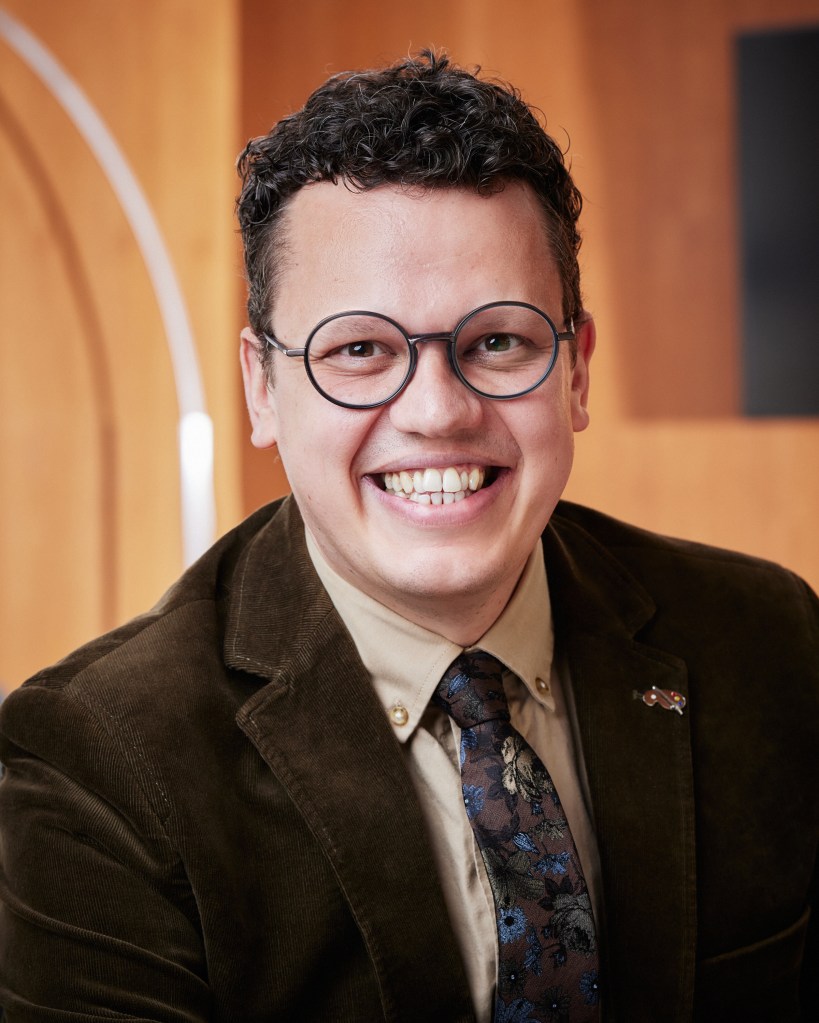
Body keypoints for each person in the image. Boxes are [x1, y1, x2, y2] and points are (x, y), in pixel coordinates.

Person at [0, 50, 816, 1023]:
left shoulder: (772, 645)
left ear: (578, 370)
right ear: (264, 387)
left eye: (498, 342)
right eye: (360, 350)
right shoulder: (97, 769)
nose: (436, 410)